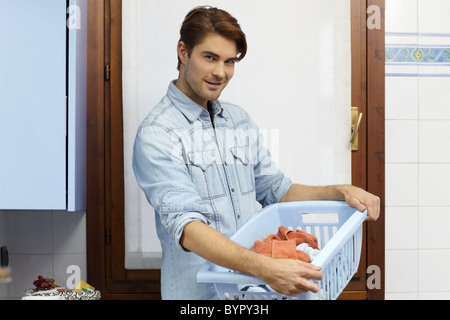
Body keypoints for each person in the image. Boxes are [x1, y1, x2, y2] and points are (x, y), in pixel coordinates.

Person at [132, 6, 380, 300]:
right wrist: (266, 268)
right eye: (210, 57)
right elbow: (188, 228)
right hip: (202, 298)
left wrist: (340, 191)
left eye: (229, 61)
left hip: (257, 294)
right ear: (183, 52)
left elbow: (278, 190)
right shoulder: (157, 134)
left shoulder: (238, 121)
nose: (220, 72)